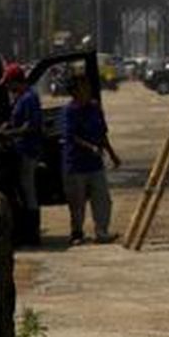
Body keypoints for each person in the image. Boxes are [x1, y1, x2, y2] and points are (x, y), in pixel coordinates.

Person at [61, 76, 121, 245]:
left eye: (87, 87)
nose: (87, 91)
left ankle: (102, 232)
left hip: (95, 164)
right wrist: (90, 147)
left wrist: (112, 154)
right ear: (74, 92)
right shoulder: (69, 111)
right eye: (83, 88)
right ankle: (77, 233)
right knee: (77, 202)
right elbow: (71, 136)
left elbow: (102, 134)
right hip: (76, 164)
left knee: (102, 199)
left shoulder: (95, 108)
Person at [0, 62, 43, 246]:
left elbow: (29, 126)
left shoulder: (30, 98)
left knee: (28, 191)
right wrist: (5, 127)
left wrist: (9, 134)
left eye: (9, 83)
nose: (8, 87)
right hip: (20, 149)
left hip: (28, 150)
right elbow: (14, 121)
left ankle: (32, 233)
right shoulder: (20, 98)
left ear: (17, 81)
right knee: (23, 191)